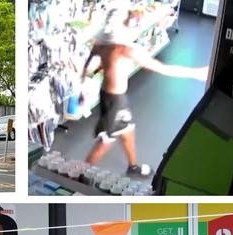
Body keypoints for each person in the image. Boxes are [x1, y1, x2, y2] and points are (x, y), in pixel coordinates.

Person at [79, 8, 208, 178]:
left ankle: (132, 166)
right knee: (105, 140)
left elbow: (86, 67)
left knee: (127, 131)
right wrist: (196, 73)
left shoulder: (101, 45)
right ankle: (80, 173)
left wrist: (82, 89)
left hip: (109, 96)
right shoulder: (125, 50)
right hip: (115, 102)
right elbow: (162, 68)